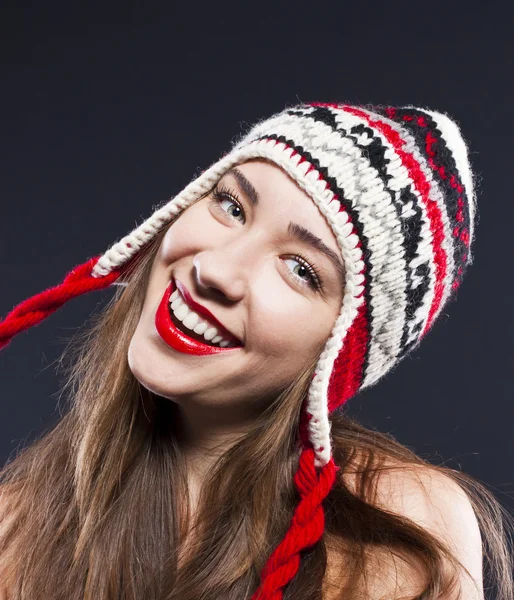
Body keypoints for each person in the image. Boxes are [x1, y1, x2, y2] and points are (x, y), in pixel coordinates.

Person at [0, 102, 511, 599]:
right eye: (231, 205)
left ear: (340, 354)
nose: (214, 270)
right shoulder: (13, 525)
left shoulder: (407, 536)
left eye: (301, 269)